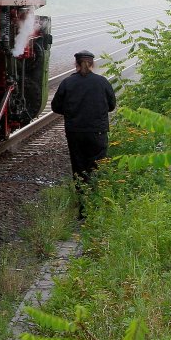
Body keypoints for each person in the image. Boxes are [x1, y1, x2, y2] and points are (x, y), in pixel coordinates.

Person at [51, 50, 116, 216]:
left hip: (75, 133)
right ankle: (96, 205)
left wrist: (72, 111)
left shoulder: (67, 83)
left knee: (79, 169)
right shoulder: (102, 82)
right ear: (92, 64)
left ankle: (83, 209)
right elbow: (112, 105)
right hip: (98, 132)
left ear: (76, 64)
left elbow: (55, 107)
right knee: (96, 167)